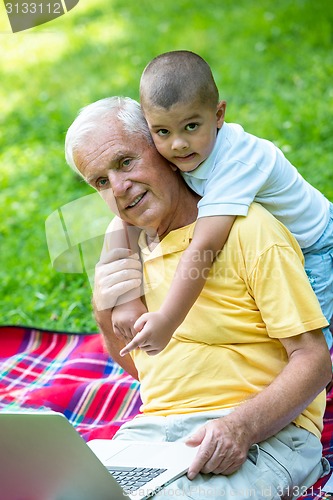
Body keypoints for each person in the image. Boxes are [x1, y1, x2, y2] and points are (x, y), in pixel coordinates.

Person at [65, 96, 331, 499]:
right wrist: (104, 308)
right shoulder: (125, 249)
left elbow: (315, 363)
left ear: (162, 149)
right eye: (101, 181)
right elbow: (145, 373)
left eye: (125, 162)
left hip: (266, 433)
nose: (119, 188)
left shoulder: (247, 229)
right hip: (154, 432)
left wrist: (238, 427)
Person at [112, 50, 333, 358]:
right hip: (272, 249)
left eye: (191, 126)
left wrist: (167, 320)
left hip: (316, 245)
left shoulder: (236, 162)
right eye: (163, 131)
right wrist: (126, 296)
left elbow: (204, 248)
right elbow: (125, 216)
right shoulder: (184, 156)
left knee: (311, 337)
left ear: (218, 115)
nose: (178, 143)